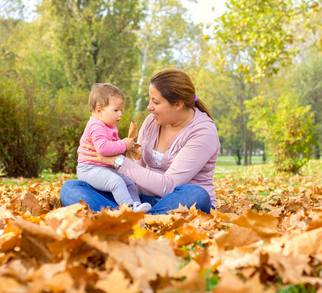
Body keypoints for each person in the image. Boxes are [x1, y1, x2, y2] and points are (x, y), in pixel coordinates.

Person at [61, 68, 220, 214]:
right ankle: (134, 213)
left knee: (197, 195)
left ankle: (130, 218)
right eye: (150, 100)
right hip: (140, 199)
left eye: (155, 102)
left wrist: (118, 161)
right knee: (71, 189)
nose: (149, 107)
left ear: (178, 104)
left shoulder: (203, 131)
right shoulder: (152, 121)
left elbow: (169, 186)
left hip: (174, 200)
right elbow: (136, 169)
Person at [75, 83, 152, 212]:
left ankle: (137, 205)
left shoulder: (108, 126)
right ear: (99, 110)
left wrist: (125, 148)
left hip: (104, 168)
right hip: (89, 168)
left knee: (129, 182)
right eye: (116, 110)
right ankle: (128, 208)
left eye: (121, 109)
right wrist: (123, 144)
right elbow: (103, 148)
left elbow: (114, 150)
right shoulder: (96, 126)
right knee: (116, 181)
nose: (120, 114)